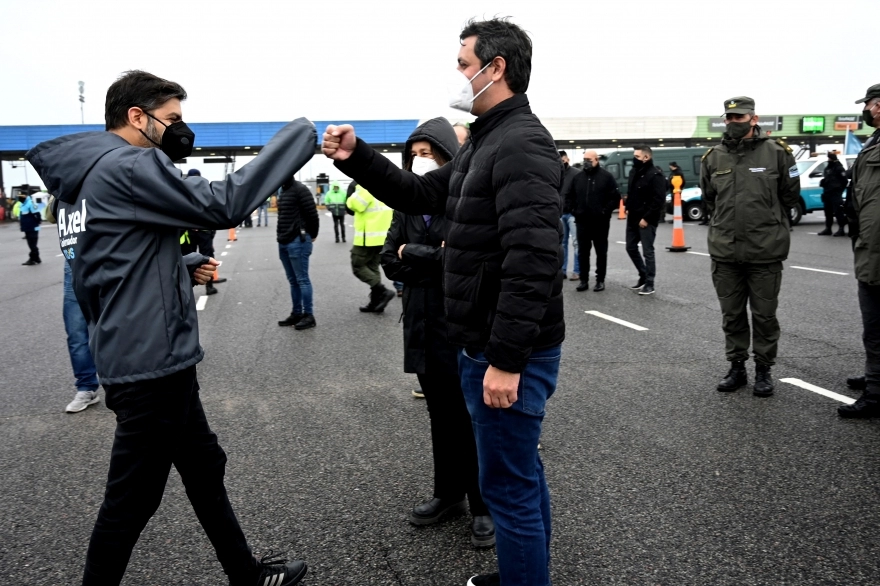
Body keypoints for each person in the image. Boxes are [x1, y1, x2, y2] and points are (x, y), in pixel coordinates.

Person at [27, 70, 316, 586]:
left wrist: (179, 268)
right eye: (174, 119)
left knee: (204, 466)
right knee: (130, 501)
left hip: (135, 351)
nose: (182, 129)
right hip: (151, 362)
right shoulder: (130, 164)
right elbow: (222, 203)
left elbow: (100, 272)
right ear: (137, 117)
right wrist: (299, 135)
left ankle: (246, 574)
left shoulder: (77, 187)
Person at [323, 17, 563, 586]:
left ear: (495, 68)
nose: (458, 74)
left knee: (507, 489)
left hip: (504, 349)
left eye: (463, 63)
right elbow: (421, 191)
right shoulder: (485, 138)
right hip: (478, 340)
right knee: (520, 472)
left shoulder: (522, 143)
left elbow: (533, 263)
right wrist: (357, 157)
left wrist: (506, 360)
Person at [380, 117, 494, 548]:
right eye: (416, 153)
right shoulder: (405, 204)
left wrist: (417, 255)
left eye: (429, 153)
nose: (421, 160)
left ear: (448, 156)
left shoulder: (464, 198)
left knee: (469, 419)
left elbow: (460, 259)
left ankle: (483, 506)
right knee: (440, 418)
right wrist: (423, 255)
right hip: (422, 324)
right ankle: (448, 494)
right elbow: (390, 258)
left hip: (459, 324)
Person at [700, 96, 800, 398]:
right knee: (731, 315)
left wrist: (768, 225)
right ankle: (737, 367)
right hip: (725, 252)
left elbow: (789, 196)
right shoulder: (713, 158)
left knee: (764, 315)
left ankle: (764, 370)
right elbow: (710, 200)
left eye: (739, 118)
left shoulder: (777, 154)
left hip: (764, 251)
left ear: (754, 119)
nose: (733, 123)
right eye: (729, 118)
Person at [839, 84, 880, 417]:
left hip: (878, 248)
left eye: (868, 105)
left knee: (877, 325)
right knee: (873, 324)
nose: (866, 110)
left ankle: (876, 395)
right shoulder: (874, 141)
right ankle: (874, 377)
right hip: (869, 244)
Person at [46, 195, 102, 412]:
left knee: (123, 323)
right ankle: (86, 386)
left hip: (110, 257)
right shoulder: (64, 181)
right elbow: (50, 215)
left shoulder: (106, 172)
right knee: (77, 331)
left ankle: (133, 383)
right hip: (74, 264)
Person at [565, 150, 621, 292]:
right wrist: (574, 211)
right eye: (585, 159)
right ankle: (583, 280)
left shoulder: (606, 177)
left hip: (600, 222)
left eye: (589, 159)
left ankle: (600, 280)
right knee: (583, 252)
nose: (586, 162)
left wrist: (604, 212)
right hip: (582, 221)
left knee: (601, 252)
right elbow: (569, 196)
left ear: (596, 160)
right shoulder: (578, 177)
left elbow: (615, 198)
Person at [276, 176, 319, 329]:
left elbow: (312, 214)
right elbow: (282, 217)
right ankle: (296, 313)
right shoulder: (283, 190)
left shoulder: (300, 189)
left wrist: (312, 235)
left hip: (298, 240)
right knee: (293, 280)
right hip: (284, 241)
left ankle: (309, 315)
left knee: (302, 280)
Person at [346, 183, 395, 313]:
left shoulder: (365, 185)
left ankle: (383, 291)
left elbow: (354, 205)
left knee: (358, 266)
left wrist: (351, 195)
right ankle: (376, 302)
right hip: (382, 235)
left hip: (367, 236)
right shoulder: (385, 185)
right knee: (372, 267)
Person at [625, 145, 665, 295]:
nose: (634, 160)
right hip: (633, 217)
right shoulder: (634, 172)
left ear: (646, 157)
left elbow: (658, 200)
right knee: (630, 247)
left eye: (637, 157)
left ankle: (650, 283)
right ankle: (643, 275)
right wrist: (628, 207)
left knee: (648, 251)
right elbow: (631, 192)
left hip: (646, 220)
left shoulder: (655, 175)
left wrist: (646, 218)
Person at [558, 150, 580, 281]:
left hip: (573, 214)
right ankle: (563, 270)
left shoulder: (576, 174)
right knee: (562, 244)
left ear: (567, 160)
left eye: (563, 160)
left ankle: (577, 271)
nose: (562, 163)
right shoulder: (556, 174)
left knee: (576, 243)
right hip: (560, 214)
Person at [818, 152, 848, 237]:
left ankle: (841, 229)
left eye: (829, 158)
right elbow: (827, 178)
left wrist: (839, 190)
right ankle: (828, 229)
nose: (828, 160)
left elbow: (844, 181)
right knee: (828, 212)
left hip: (835, 194)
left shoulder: (839, 168)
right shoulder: (828, 168)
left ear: (833, 159)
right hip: (827, 193)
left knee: (838, 212)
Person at [18, 188, 42, 265]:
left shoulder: (30, 203)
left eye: (21, 195)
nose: (20, 197)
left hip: (33, 227)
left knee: (32, 244)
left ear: (25, 196)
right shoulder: (22, 204)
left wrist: (37, 223)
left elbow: (37, 214)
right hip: (27, 228)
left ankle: (33, 258)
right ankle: (37, 258)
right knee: (31, 244)